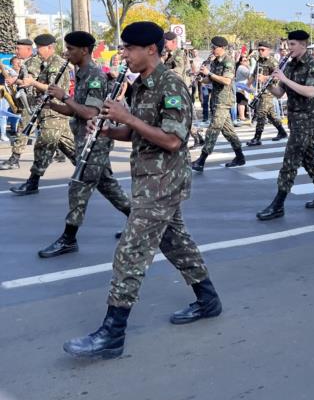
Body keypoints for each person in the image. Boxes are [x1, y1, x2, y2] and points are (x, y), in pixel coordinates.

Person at [63, 21, 222, 359]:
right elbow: (139, 132)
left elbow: (172, 139)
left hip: (164, 183)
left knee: (130, 251)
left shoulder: (171, 86)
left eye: (129, 48)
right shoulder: (140, 85)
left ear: (151, 49)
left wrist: (128, 118)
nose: (124, 54)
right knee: (175, 242)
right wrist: (107, 129)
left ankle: (112, 333)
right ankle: (209, 300)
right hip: (148, 180)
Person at [36, 31, 131, 258]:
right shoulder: (81, 74)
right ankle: (139, 219)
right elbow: (75, 109)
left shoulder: (95, 76)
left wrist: (63, 96)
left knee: (78, 186)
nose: (66, 53)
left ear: (84, 50)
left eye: (70, 49)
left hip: (96, 140)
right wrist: (53, 106)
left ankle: (69, 238)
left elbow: (90, 112)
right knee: (107, 185)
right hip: (83, 139)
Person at [256, 30, 314, 220]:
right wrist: (267, 84)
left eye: (292, 45)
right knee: (307, 157)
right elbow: (280, 93)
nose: (288, 49)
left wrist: (284, 78)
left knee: (290, 160)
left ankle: (278, 204)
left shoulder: (313, 63)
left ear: (303, 45)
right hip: (295, 118)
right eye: (288, 45)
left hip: (308, 118)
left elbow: (310, 92)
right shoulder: (289, 65)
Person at [10, 34, 75, 196]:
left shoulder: (57, 64)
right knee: (72, 149)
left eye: (39, 48)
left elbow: (54, 89)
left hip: (55, 112)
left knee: (43, 146)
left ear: (50, 47)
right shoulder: (45, 63)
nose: (37, 51)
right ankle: (96, 173)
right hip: (46, 111)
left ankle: (33, 182)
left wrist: (33, 83)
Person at [191, 36, 246, 172]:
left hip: (224, 100)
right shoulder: (215, 62)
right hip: (216, 100)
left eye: (214, 48)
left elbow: (227, 81)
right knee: (228, 132)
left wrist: (209, 73)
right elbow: (209, 80)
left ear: (222, 48)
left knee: (213, 129)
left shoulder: (228, 62)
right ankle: (240, 157)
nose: (212, 50)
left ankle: (201, 160)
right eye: (212, 47)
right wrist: (200, 77)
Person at [0, 39, 35, 170]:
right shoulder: (25, 63)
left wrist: (15, 80)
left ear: (28, 50)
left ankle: (14, 159)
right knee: (47, 132)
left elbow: (31, 82)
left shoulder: (33, 63)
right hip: (28, 102)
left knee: (23, 130)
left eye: (18, 49)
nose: (16, 51)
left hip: (33, 102)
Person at [246, 41, 288, 146]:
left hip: (269, 91)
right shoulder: (259, 60)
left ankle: (257, 138)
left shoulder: (273, 62)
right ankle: (282, 132)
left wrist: (265, 78)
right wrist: (249, 83)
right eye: (259, 49)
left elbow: (278, 77)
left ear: (268, 50)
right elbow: (255, 73)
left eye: (262, 50)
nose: (260, 52)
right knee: (271, 115)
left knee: (261, 113)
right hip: (260, 90)